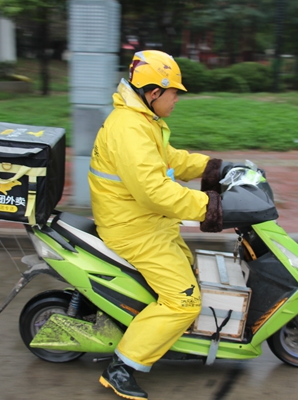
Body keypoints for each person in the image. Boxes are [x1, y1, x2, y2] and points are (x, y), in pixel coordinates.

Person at [88, 50, 227, 399]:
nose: (176, 99)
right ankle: (122, 367)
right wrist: (210, 207)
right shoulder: (130, 129)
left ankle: (166, 338)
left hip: (147, 223)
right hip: (135, 229)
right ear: (153, 93)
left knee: (193, 274)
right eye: (174, 92)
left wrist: (215, 168)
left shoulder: (140, 120)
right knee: (185, 301)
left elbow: (170, 160)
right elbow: (154, 192)